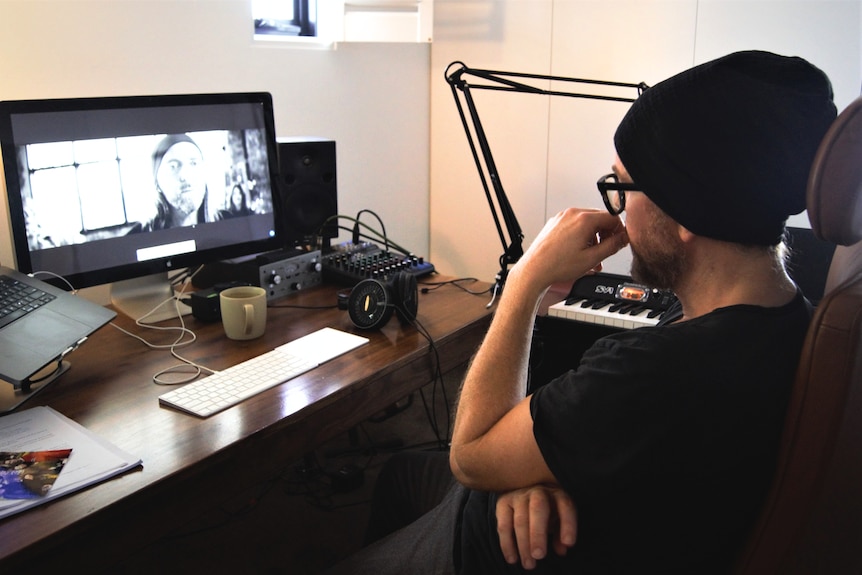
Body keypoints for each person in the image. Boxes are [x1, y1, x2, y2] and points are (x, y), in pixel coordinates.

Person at [323, 50, 837, 574]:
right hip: (580, 512)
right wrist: (536, 472)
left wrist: (526, 279)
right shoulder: (805, 326)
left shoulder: (652, 374)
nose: (615, 207)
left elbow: (471, 454)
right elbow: (644, 446)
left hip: (483, 549)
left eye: (622, 186)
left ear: (686, 210)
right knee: (402, 474)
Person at [130, 133, 228, 232]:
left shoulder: (228, 221)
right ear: (157, 183)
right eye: (173, 166)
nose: (185, 175)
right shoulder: (137, 236)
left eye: (193, 163)